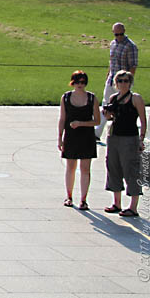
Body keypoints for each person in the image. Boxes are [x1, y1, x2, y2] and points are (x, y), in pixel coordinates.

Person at [102, 70, 147, 217]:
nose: (123, 83)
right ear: (115, 83)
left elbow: (143, 120)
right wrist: (106, 113)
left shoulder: (135, 98)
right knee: (113, 167)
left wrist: (141, 139)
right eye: (120, 81)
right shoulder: (113, 97)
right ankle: (117, 203)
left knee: (131, 170)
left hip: (130, 138)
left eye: (126, 80)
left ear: (130, 82)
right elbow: (109, 118)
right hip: (114, 136)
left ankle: (133, 207)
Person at [57, 70, 100, 210]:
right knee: (70, 167)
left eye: (82, 82)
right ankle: (69, 196)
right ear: (72, 82)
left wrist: (81, 123)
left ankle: (83, 199)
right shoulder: (66, 97)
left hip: (86, 136)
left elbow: (97, 121)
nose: (80, 85)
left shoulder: (92, 98)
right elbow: (62, 119)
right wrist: (60, 137)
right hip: (70, 136)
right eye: (77, 82)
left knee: (85, 168)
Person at [96, 22, 138, 140]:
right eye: (116, 34)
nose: (118, 36)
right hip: (111, 80)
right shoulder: (113, 44)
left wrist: (127, 84)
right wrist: (108, 75)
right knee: (105, 105)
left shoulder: (130, 46)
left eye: (121, 34)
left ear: (124, 32)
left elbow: (133, 67)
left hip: (123, 82)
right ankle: (97, 133)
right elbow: (111, 61)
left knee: (122, 107)